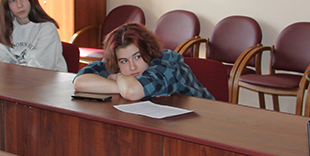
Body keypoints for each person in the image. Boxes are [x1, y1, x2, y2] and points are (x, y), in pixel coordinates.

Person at [74, 22, 213, 100]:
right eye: (124, 61)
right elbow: (79, 82)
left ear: (149, 51)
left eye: (137, 57)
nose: (132, 67)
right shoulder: (116, 63)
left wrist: (120, 77)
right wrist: (121, 87)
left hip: (205, 121)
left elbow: (131, 92)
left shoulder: (167, 62)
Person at [0, 0, 66, 71]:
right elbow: (0, 68)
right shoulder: (0, 32)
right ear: (6, 6)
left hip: (46, 79)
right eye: (12, 1)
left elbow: (41, 68)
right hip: (14, 80)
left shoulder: (47, 29)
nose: (19, 5)